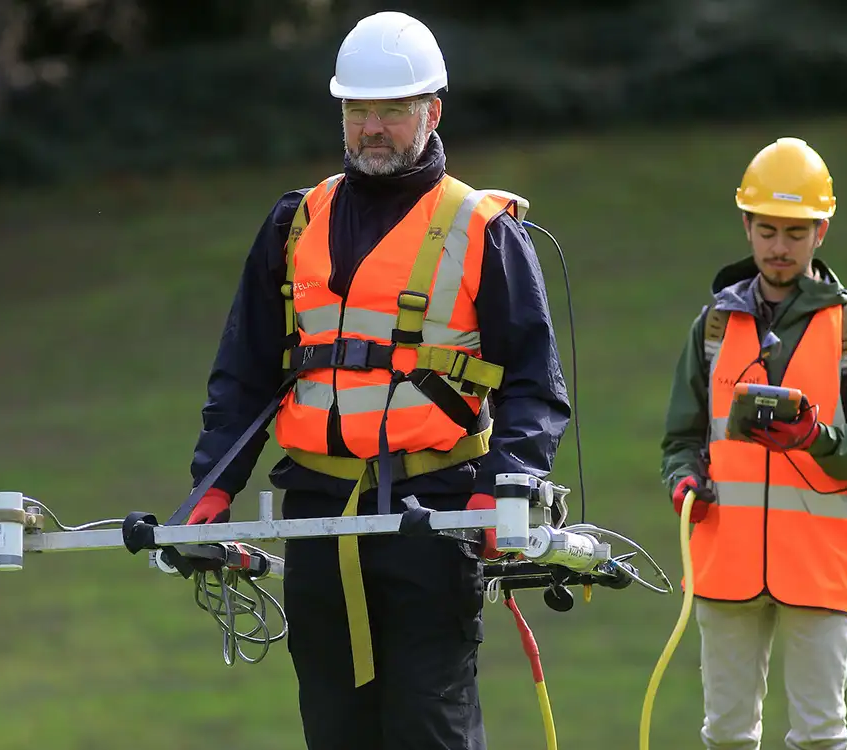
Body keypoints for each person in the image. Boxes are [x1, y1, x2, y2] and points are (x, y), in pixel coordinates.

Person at [184, 11, 571, 750]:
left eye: (392, 111)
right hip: (318, 516)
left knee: (430, 725)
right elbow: (245, 368)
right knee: (334, 728)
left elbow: (533, 379)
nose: (372, 128)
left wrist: (510, 482)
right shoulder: (295, 223)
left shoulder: (482, 229)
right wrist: (212, 485)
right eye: (357, 110)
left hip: (439, 516)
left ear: (432, 111)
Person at [659, 137, 847, 750]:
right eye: (767, 229)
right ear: (746, 225)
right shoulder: (713, 326)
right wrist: (682, 480)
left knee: (821, 737)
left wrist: (814, 438)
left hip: (820, 565)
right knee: (726, 736)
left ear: (821, 230)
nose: (779, 247)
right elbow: (681, 438)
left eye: (795, 232)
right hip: (726, 562)